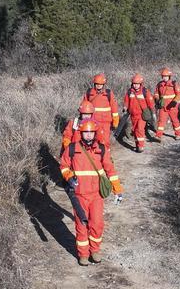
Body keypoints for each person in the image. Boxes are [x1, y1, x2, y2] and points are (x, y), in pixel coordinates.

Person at [59, 119, 123, 266]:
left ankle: (95, 250)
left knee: (97, 223)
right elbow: (63, 166)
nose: (88, 135)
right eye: (86, 132)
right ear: (81, 133)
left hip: (96, 195)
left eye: (91, 132)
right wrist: (69, 176)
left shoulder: (101, 149)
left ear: (95, 133)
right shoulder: (72, 149)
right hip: (79, 195)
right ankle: (83, 254)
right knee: (81, 225)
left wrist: (117, 190)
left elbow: (110, 171)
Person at [83, 73, 119, 147]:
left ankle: (106, 156)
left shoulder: (108, 93)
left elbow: (114, 107)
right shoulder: (89, 92)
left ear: (103, 84)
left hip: (105, 122)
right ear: (94, 84)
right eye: (97, 84)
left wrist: (115, 120)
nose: (99, 85)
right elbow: (84, 106)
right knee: (94, 140)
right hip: (92, 121)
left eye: (101, 84)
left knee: (105, 140)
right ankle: (96, 157)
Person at [123, 74, 154, 153]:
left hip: (141, 115)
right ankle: (137, 144)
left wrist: (152, 112)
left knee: (140, 129)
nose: (136, 86)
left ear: (141, 84)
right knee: (135, 130)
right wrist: (125, 107)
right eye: (134, 84)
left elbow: (150, 102)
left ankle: (141, 146)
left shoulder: (145, 91)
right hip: (133, 115)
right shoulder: (130, 92)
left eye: (137, 84)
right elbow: (126, 101)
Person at [154, 68, 180, 142]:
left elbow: (179, 94)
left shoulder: (174, 84)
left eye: (166, 76)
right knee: (161, 121)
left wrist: (175, 101)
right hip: (163, 106)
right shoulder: (159, 84)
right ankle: (158, 136)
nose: (164, 78)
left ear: (169, 76)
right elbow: (156, 93)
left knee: (174, 120)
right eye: (163, 76)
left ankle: (178, 134)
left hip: (172, 106)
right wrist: (157, 99)